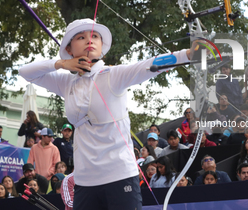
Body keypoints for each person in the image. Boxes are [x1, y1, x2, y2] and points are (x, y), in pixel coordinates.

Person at [19, 18, 195, 209]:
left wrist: (190, 53)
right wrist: (62, 64)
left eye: (95, 36)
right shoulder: (65, 82)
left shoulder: (113, 75)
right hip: (85, 180)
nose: (89, 40)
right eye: (81, 37)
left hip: (119, 175)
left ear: (101, 46)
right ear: (69, 49)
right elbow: (25, 72)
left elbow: (154, 64)